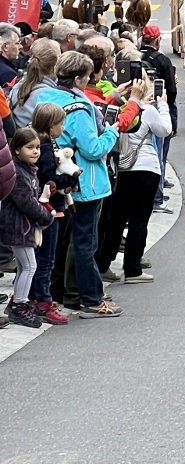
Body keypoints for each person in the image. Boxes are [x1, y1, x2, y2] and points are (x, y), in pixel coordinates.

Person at [39, 49, 121, 319]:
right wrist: (112, 131)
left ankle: (61, 292)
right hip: (85, 181)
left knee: (63, 242)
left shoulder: (47, 97)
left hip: (57, 179)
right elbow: (93, 149)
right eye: (87, 76)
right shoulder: (79, 108)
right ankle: (91, 298)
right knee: (85, 242)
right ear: (77, 79)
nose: (90, 80)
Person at [96, 76, 169, 285]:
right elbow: (165, 130)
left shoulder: (116, 111)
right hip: (146, 168)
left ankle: (103, 264)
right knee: (139, 220)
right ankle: (132, 268)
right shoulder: (148, 111)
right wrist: (163, 106)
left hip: (123, 169)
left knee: (116, 220)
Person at [0, 128, 54, 328]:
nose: (35, 151)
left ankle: (17, 303)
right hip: (18, 227)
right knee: (30, 266)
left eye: (37, 147)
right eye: (29, 147)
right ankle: (19, 306)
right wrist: (45, 215)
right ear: (16, 150)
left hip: (23, 226)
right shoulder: (18, 173)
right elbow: (26, 202)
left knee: (25, 266)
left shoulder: (28, 170)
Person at [29, 103, 71, 326]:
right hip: (49, 209)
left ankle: (30, 298)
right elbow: (49, 178)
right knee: (46, 258)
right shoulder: (45, 148)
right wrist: (70, 180)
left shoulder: (43, 144)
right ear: (51, 125)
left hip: (48, 207)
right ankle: (43, 302)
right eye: (60, 123)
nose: (62, 128)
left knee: (39, 257)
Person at [139, 25, 177, 215]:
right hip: (158, 109)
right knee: (159, 154)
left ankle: (151, 194)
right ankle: (157, 197)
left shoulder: (135, 57)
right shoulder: (162, 60)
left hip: (137, 108)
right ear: (157, 40)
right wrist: (171, 115)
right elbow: (171, 90)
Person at [10, 39, 59, 128]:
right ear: (54, 67)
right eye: (59, 57)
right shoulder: (51, 95)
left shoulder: (17, 86)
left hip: (19, 135)